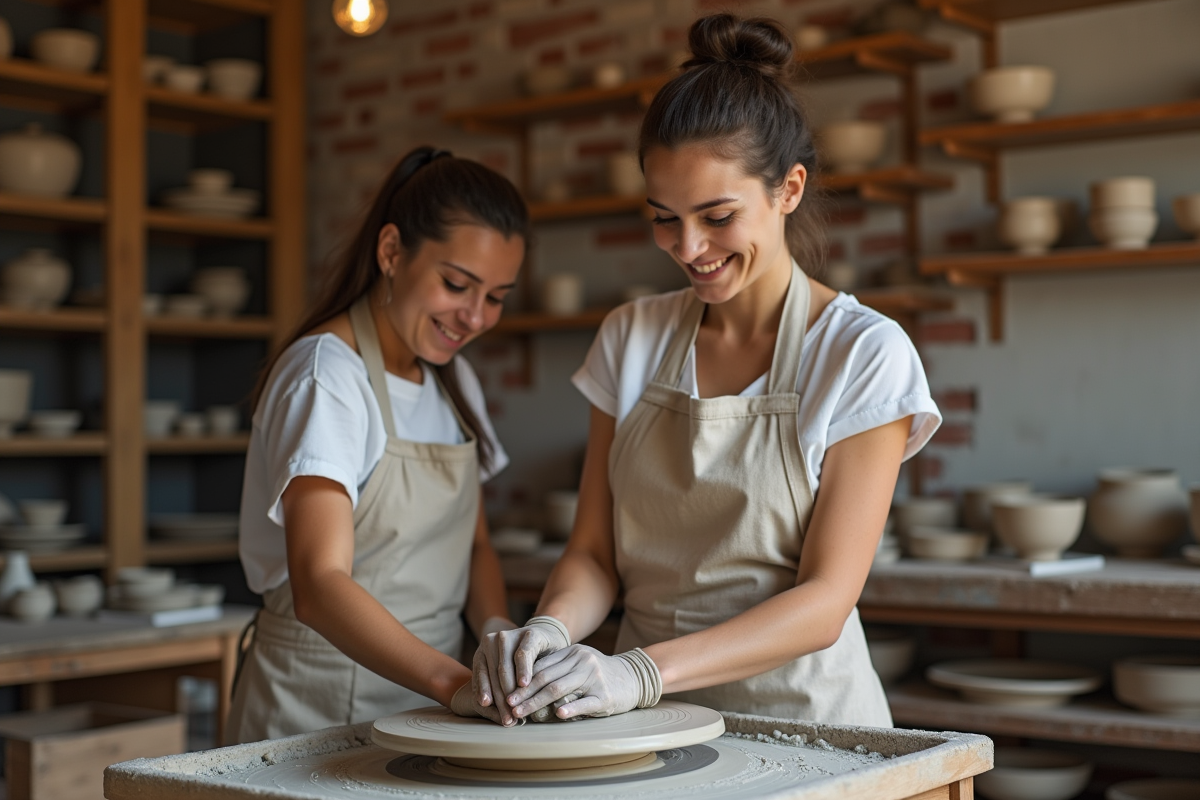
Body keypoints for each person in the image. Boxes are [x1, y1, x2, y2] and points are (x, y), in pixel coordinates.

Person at [469, 14, 942, 728]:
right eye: (664, 218)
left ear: (788, 189)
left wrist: (642, 671)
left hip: (807, 725)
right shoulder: (631, 336)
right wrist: (553, 627)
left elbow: (825, 600)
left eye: (718, 216)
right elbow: (594, 554)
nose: (689, 249)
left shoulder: (861, 353)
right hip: (645, 726)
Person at [228, 147, 526, 743]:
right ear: (391, 252)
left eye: (495, 297)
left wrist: (497, 635)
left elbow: (474, 545)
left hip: (431, 700)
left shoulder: (451, 377)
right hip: (318, 702)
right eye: (456, 284)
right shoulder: (326, 377)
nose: (474, 317)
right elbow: (319, 585)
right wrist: (454, 685)